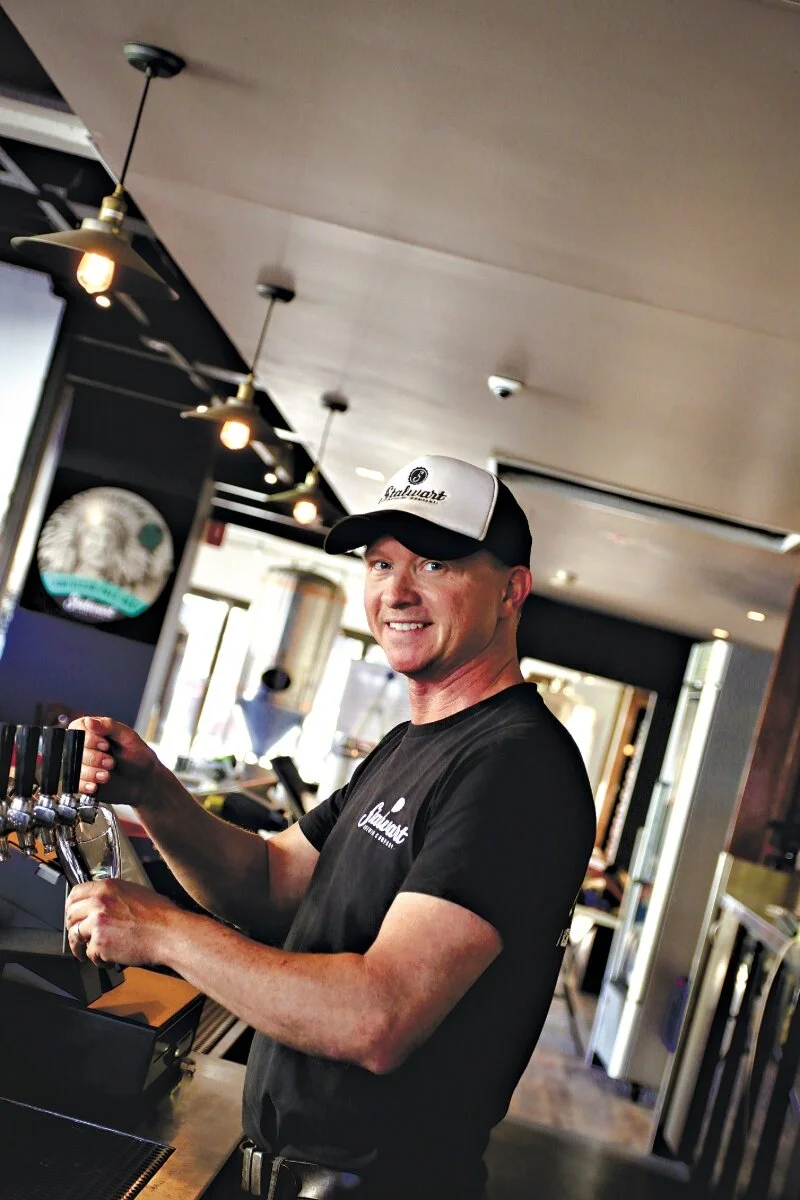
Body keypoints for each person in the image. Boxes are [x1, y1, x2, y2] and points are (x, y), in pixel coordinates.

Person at [65, 455, 596, 1200]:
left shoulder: (517, 771)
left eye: (434, 563)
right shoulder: (411, 743)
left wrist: (162, 932)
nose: (397, 592)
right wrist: (151, 788)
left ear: (512, 590)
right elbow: (272, 883)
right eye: (380, 563)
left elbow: (377, 1017)